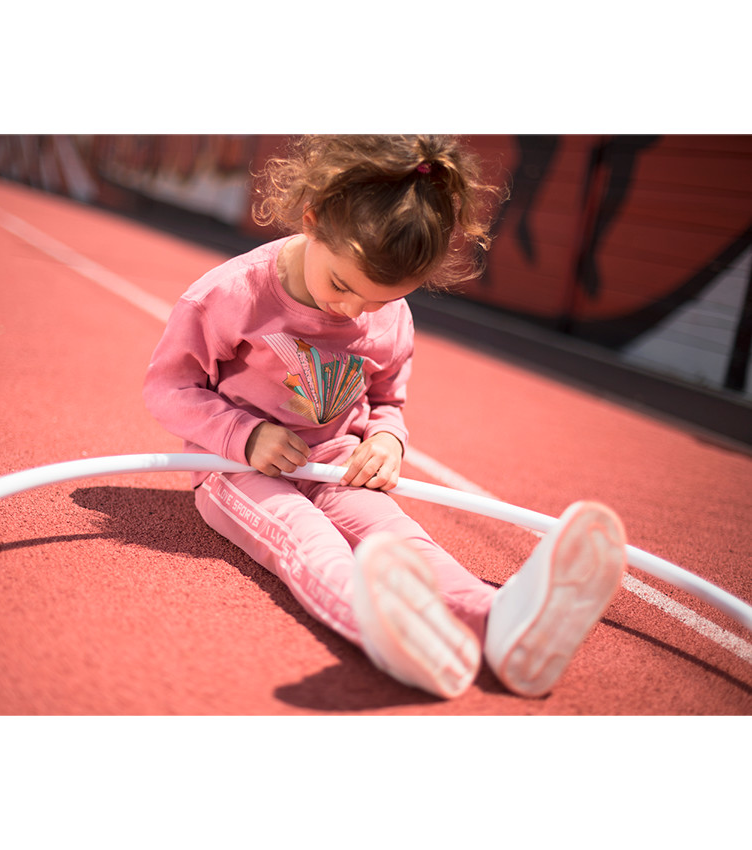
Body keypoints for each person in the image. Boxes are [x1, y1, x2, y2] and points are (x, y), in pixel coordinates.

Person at [143, 134, 627, 700]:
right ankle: (382, 627)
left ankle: (501, 622)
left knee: (400, 538)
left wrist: (387, 440)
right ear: (313, 218)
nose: (354, 310)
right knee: (307, 539)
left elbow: (389, 400)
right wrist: (244, 436)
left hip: (335, 463)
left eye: (378, 300)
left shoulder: (392, 316)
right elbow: (168, 387)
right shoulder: (231, 294)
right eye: (342, 285)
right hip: (236, 469)